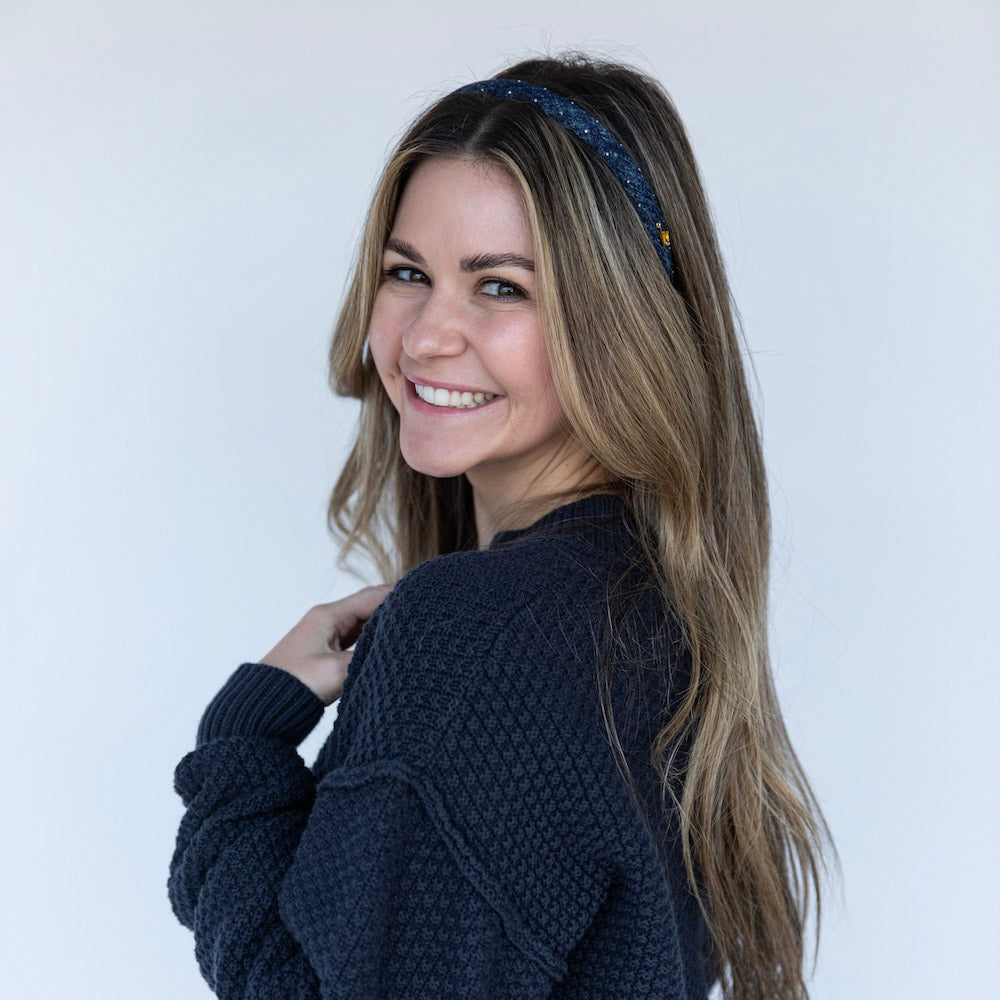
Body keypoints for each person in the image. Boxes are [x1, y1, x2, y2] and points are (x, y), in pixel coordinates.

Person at [168, 54, 833, 1000]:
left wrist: (243, 742)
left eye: (502, 287)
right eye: (407, 273)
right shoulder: (651, 607)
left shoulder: (479, 639)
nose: (425, 336)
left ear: (622, 322)